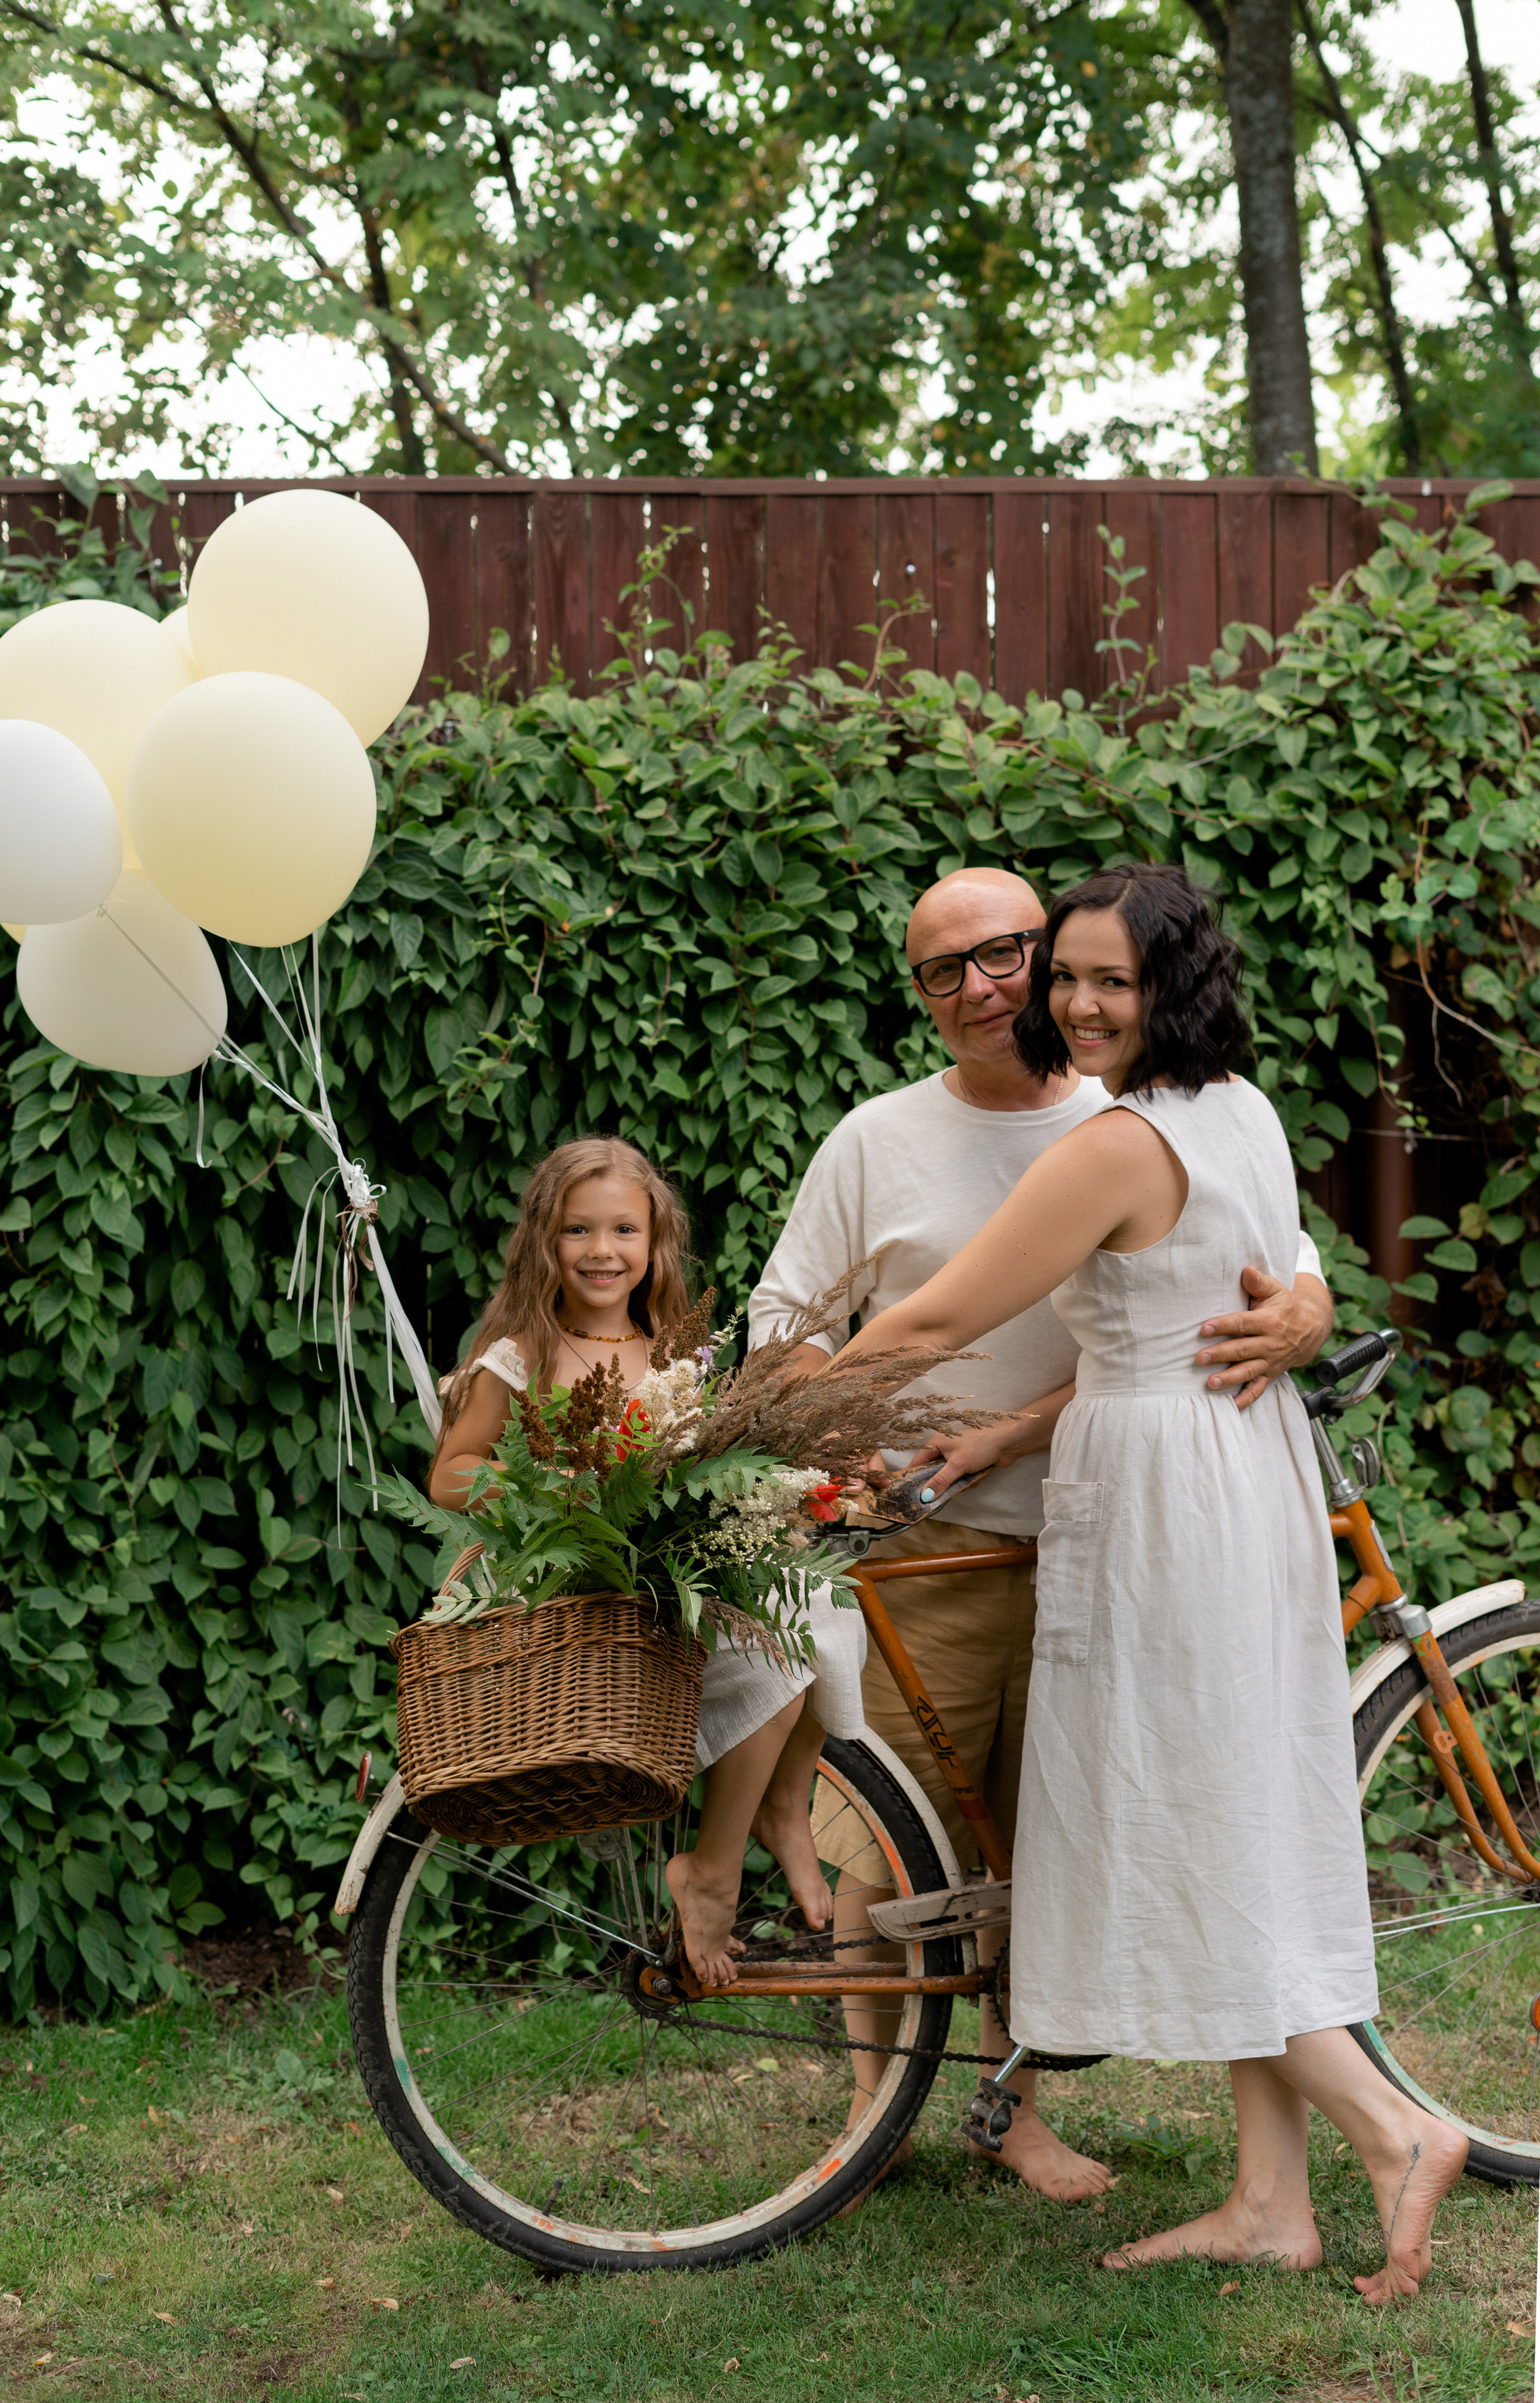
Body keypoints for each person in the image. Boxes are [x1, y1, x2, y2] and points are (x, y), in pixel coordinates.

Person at [822, 862, 1465, 2304]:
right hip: (1223, 1475)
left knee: (1178, 1825)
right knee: (1228, 1814)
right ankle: (1267, 2199)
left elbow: (936, 1311)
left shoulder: (1114, 1144)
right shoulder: (1233, 1105)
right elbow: (1276, 1263)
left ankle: (1393, 2127)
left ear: (1171, 984)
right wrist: (1299, 1302)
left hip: (1168, 1502)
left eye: (1109, 978)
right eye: (1064, 976)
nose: (1075, 1002)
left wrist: (751, 1419)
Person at [749, 865, 1331, 2204]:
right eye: (940, 970)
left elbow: (1261, 1265)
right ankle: (873, 2114)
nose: (989, 989)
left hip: (1099, 1540)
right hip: (926, 1553)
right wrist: (814, 1442)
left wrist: (1300, 1315)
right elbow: (791, 1320)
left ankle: (1004, 2109)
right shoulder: (874, 1141)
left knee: (1034, 1855)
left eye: (1008, 955)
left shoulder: (1139, 1104)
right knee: (882, 1861)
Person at [430, 1136, 866, 1990]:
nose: (601, 1251)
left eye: (623, 1229)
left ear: (654, 1241)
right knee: (781, 1656)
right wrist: (543, 1482)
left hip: (664, 1579)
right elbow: (449, 1472)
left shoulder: (671, 1354)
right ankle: (714, 1864)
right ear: (544, 1243)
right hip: (578, 1588)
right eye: (577, 1231)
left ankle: (784, 1803)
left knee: (822, 1612)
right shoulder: (523, 1352)